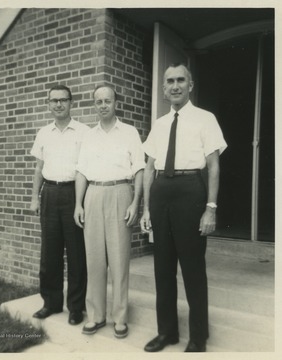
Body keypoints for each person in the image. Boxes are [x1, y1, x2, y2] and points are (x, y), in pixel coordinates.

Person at [140, 63, 227, 352]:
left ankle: (198, 336)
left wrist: (210, 208)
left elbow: (214, 166)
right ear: (163, 88)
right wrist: (147, 209)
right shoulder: (160, 123)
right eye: (169, 81)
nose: (175, 85)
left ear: (190, 85)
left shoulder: (205, 119)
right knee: (162, 268)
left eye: (180, 80)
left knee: (192, 268)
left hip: (191, 192)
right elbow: (150, 167)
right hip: (161, 194)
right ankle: (167, 333)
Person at [74, 85, 145, 339]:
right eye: (98, 102)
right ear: (95, 105)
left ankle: (120, 318)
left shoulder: (129, 132)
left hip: (119, 193)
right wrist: (78, 204)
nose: (103, 105)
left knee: (118, 259)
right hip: (93, 194)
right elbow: (81, 171)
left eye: (107, 100)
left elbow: (139, 169)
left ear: (116, 103)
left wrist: (136, 202)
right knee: (93, 259)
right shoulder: (88, 135)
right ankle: (95, 316)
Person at [30, 84, 88, 325]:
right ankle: (51, 303)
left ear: (71, 103)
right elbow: (39, 168)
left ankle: (75, 307)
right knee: (50, 253)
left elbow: (86, 168)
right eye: (54, 100)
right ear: (48, 104)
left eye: (63, 100)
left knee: (76, 253)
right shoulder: (44, 133)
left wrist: (82, 201)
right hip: (50, 194)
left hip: (74, 194)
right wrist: (35, 197)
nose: (58, 104)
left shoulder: (84, 131)